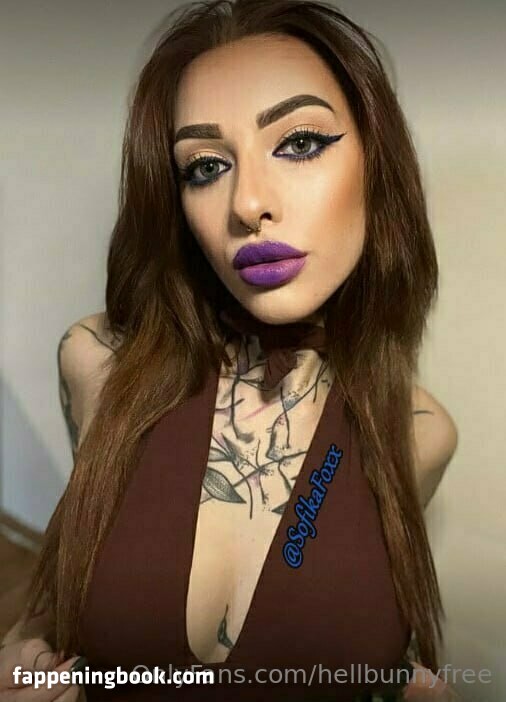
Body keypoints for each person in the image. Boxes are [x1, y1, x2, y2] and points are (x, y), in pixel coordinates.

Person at [0, 0, 460, 700]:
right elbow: (63, 599)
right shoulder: (97, 361)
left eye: (299, 143)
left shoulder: (418, 433)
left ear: (378, 166)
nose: (247, 203)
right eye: (206, 166)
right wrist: (17, 663)